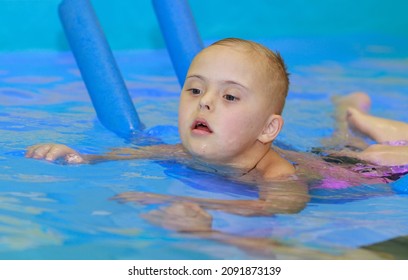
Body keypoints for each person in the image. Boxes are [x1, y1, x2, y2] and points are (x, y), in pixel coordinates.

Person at [25, 38, 407, 217]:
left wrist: (188, 203)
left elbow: (283, 209)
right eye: (195, 89)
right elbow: (126, 155)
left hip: (373, 174)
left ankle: (354, 115)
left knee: (369, 155)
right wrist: (77, 157)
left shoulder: (280, 175)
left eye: (230, 97)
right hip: (321, 159)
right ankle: (350, 112)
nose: (204, 101)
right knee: (337, 144)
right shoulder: (183, 150)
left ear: (267, 128)